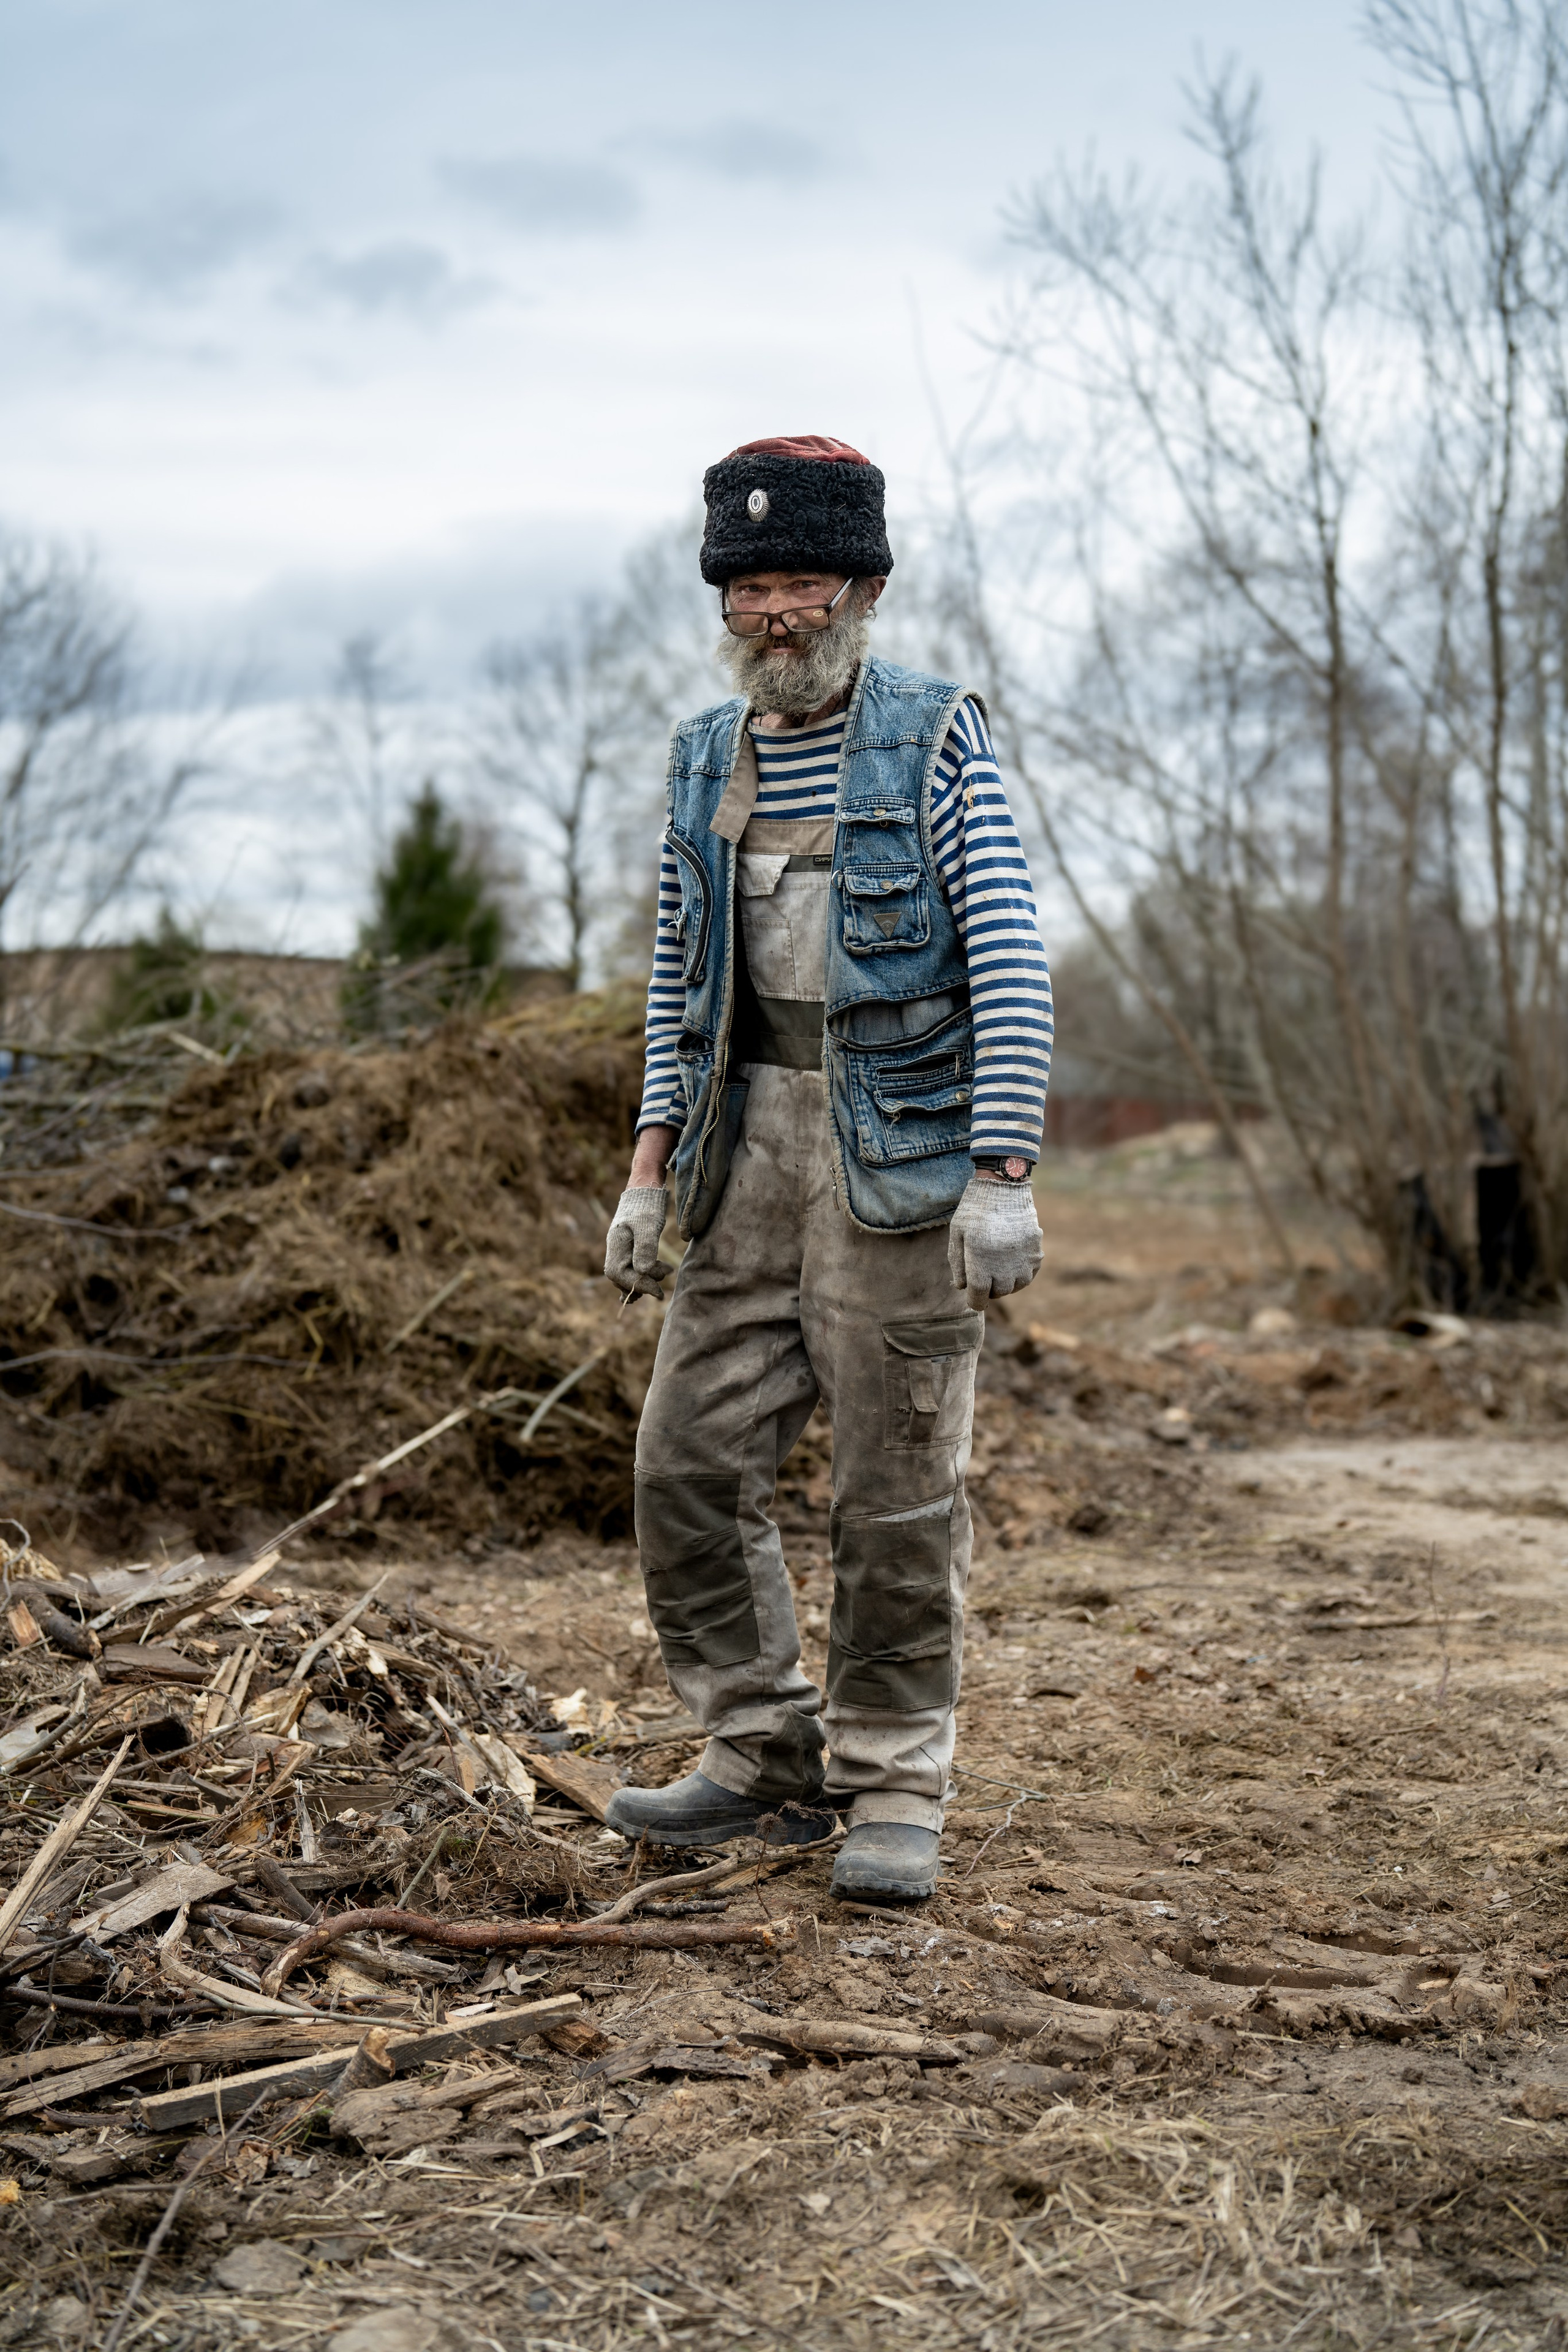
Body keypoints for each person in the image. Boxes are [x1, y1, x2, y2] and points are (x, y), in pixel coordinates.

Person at [601, 435, 1052, 1901]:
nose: (772, 614)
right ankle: (758, 1750)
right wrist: (648, 1167)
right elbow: (682, 978)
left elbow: (1005, 953)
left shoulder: (932, 736)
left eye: (797, 582)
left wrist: (1003, 1169)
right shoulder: (698, 759)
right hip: (741, 1167)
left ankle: (890, 1785)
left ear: (860, 585)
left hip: (899, 1174)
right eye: (745, 589)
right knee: (683, 1466)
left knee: (895, 1495)